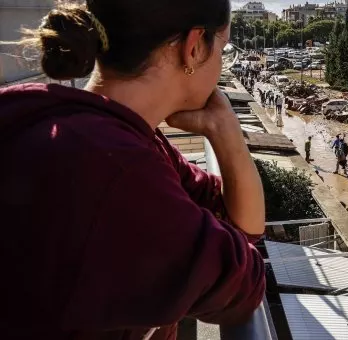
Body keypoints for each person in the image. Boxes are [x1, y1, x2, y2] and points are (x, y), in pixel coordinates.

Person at [0, 1, 266, 339]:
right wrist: (229, 138)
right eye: (222, 49)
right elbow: (244, 284)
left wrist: (226, 132)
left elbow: (232, 216)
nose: (221, 63)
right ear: (195, 47)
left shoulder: (83, 129)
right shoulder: (116, 171)